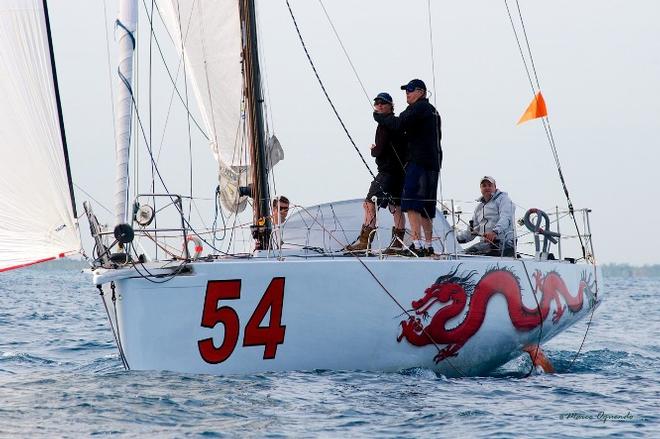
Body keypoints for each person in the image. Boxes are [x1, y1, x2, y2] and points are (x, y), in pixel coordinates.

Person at [373, 79, 442, 256]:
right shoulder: (433, 112)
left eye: (410, 90)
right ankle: (428, 246)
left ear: (421, 92)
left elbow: (399, 124)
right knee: (426, 206)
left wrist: (380, 117)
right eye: (406, 91)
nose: (407, 93)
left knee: (411, 203)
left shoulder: (418, 108)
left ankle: (417, 245)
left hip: (418, 162)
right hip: (433, 164)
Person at [346, 92, 407, 252]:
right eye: (377, 103)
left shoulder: (385, 124)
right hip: (399, 173)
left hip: (387, 172)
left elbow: (379, 150)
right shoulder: (395, 123)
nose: (379, 105)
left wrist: (374, 151)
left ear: (390, 106)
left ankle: (364, 243)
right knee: (395, 206)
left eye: (383, 103)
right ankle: (397, 244)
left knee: (369, 203)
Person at [456, 176, 516, 257]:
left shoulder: (503, 199)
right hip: (486, 244)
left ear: (495, 187)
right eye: (484, 185)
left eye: (489, 185)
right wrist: (454, 238)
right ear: (480, 189)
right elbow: (472, 231)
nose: (487, 187)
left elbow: (506, 218)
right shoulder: (479, 208)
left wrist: (494, 232)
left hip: (504, 243)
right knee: (460, 254)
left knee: (466, 254)